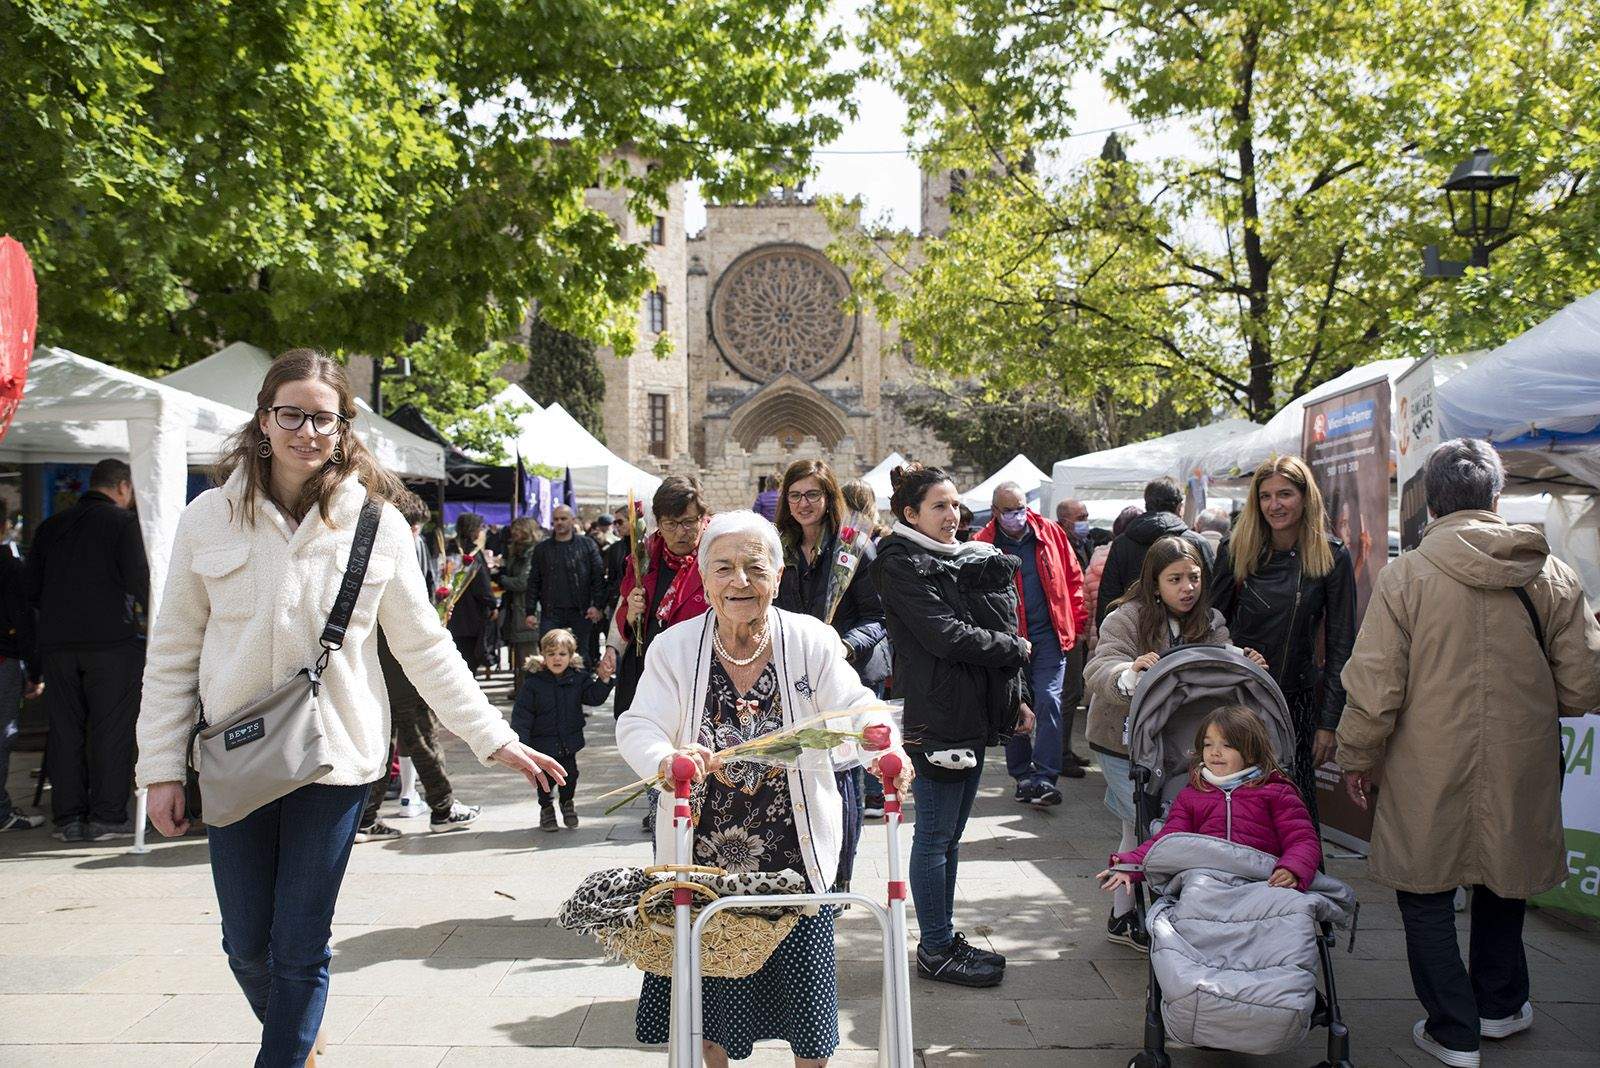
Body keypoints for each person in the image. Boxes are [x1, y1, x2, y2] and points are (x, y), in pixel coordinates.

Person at [136, 348, 568, 1067]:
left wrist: (493, 738)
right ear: (264, 419)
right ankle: (301, 1040)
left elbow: (425, 649)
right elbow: (173, 651)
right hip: (237, 756)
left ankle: (285, 1050)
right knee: (246, 944)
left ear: (344, 429)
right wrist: (159, 768)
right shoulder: (207, 519)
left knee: (299, 942)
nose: (308, 431)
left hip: (335, 760)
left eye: (324, 419)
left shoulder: (377, 527)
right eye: (292, 415)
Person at [1336, 439, 1600, 1068]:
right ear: (1495, 496)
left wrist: (1355, 755)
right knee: (1506, 879)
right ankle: (1501, 1007)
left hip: (1424, 760)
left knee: (1423, 889)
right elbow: (1585, 684)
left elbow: (1375, 687)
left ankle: (1454, 1028)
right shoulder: (1551, 573)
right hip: (1523, 756)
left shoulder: (1406, 576)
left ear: (1431, 500)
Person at [616, 510, 906, 1068]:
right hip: (704, 863)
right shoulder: (674, 647)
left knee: (808, 1016)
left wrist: (880, 743)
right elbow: (639, 725)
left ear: (777, 573)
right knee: (712, 1009)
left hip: (797, 861)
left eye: (755, 566)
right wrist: (666, 757)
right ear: (704, 579)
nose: (739, 581)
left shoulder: (811, 640)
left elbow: (857, 708)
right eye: (723, 567)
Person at [874, 463, 1031, 988]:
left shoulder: (962, 557)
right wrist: (1016, 651)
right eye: (939, 506)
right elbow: (945, 636)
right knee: (936, 835)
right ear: (910, 514)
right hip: (937, 717)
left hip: (971, 713)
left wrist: (1017, 697)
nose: (953, 514)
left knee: (952, 837)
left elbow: (990, 622)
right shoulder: (900, 562)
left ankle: (942, 934)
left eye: (956, 504)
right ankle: (936, 948)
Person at [1085, 535, 1256, 950]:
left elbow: (1220, 662)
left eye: (1194, 577)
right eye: (1175, 578)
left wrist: (1242, 661)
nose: (1187, 588)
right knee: (1148, 828)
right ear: (1154, 582)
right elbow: (1100, 667)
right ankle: (1149, 913)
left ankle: (1124, 916)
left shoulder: (1210, 621)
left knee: (1138, 826)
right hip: (1121, 744)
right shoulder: (1125, 618)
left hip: (1175, 745)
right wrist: (1129, 670)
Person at [1211, 455, 1355, 827]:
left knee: (1292, 817)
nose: (1274, 505)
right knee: (1236, 811)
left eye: (1285, 494)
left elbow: (1342, 646)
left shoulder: (1332, 557)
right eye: (1265, 496)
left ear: (1306, 498)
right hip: (1239, 698)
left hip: (1297, 703)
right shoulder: (1236, 550)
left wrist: (1329, 722)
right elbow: (1211, 627)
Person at [773, 458, 889, 889]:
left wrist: (843, 644)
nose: (804, 503)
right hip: (795, 673)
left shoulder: (853, 546)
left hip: (849, 674)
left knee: (844, 776)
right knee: (802, 773)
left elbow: (878, 617)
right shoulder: (777, 546)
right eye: (796, 494)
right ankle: (806, 869)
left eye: (813, 494)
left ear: (829, 498)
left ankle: (839, 881)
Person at [26, 457, 149, 841]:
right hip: (112, 643)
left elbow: (32, 590)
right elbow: (140, 583)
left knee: (65, 730)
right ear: (123, 487)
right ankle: (108, 817)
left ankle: (68, 818)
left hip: (58, 645)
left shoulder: (51, 526)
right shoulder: (125, 524)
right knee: (110, 731)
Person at [354, 489, 484, 843]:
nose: (416, 536)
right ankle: (442, 806)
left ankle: (365, 817)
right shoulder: (389, 547)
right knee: (419, 731)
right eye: (415, 528)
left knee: (390, 737)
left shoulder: (368, 543)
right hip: (399, 660)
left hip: (384, 659)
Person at [1098, 705, 1321, 894]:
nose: (1215, 752)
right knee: (1195, 895)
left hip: (1261, 880)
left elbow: (1302, 839)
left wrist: (1292, 868)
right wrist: (1130, 864)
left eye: (1227, 745)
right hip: (1207, 880)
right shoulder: (1191, 795)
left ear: (1252, 752)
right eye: (1207, 744)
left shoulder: (1276, 792)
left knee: (1295, 911)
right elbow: (1169, 841)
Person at [975, 483, 1087, 798]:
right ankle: (1023, 776)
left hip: (1049, 636)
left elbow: (1073, 577)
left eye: (1021, 507)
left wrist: (1077, 624)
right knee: (1015, 706)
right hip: (1009, 641)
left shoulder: (1050, 533)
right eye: (1009, 510)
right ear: (995, 511)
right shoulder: (983, 543)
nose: (1017, 516)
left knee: (1050, 701)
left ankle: (1046, 777)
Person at [601, 476, 711, 717]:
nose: (681, 532)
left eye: (689, 522)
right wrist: (630, 615)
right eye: (671, 524)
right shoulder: (644, 555)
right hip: (647, 672)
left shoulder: (718, 553)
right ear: (658, 522)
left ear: (703, 517)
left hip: (697, 673)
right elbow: (625, 612)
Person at [511, 627, 614, 832]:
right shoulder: (533, 683)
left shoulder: (578, 678)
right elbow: (522, 715)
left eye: (562, 654)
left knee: (570, 776)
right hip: (541, 743)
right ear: (543, 656)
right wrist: (520, 741)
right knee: (544, 779)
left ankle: (567, 804)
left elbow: (593, 697)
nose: (557, 659)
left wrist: (603, 680)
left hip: (569, 741)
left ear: (571, 655)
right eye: (551, 654)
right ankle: (546, 808)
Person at [1095, 477, 1213, 626]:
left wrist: (1107, 630)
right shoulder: (1196, 542)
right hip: (1189, 632)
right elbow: (1212, 592)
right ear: (1179, 507)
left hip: (1135, 627)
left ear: (1147, 505)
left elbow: (1109, 594)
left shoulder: (1122, 543)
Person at [0, 514, 45, 832]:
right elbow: (25, 619)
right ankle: (1, 813)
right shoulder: (9, 567)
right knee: (3, 735)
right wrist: (35, 670)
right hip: (5, 659)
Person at [528, 503, 607, 654]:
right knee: (549, 652)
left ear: (572, 520)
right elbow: (534, 581)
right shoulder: (542, 549)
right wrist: (530, 611)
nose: (559, 522)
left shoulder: (587, 545)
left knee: (581, 654)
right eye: (556, 519)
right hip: (551, 611)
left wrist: (597, 605)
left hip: (581, 611)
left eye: (563, 518)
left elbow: (597, 577)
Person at [445, 511, 497, 676]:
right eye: (481, 528)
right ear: (474, 530)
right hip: (472, 614)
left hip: (449, 611)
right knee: (468, 660)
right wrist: (492, 604)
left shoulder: (448, 548)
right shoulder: (473, 553)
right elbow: (482, 585)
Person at [496, 517, 541, 691]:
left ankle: (530, 693)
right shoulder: (517, 550)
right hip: (517, 609)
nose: (513, 533)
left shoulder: (532, 551)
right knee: (521, 654)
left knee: (529, 656)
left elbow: (523, 582)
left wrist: (502, 578)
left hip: (526, 610)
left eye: (518, 529)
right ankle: (522, 691)